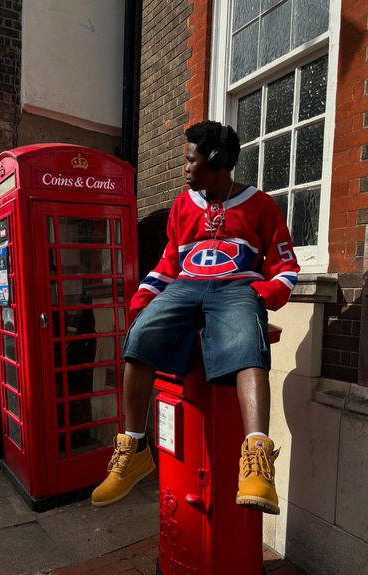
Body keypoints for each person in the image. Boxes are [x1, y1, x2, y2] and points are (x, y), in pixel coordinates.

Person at [91, 121, 300, 514]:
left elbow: (286, 266)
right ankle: (134, 447)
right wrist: (143, 300)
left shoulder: (261, 205)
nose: (184, 168)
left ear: (217, 161)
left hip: (237, 288)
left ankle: (257, 459)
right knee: (138, 342)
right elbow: (169, 263)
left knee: (246, 348)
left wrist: (263, 293)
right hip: (185, 288)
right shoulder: (183, 207)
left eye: (191, 161)